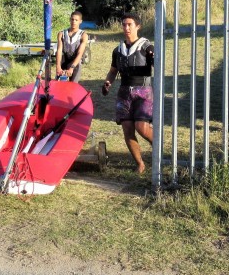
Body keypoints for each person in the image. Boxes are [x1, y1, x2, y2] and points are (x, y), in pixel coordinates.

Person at [101, 13, 154, 174]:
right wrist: (108, 82)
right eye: (124, 24)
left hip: (144, 91)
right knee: (127, 128)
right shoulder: (117, 50)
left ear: (138, 26)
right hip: (124, 92)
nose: (126, 27)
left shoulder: (147, 47)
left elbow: (156, 66)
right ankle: (140, 164)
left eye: (129, 24)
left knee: (142, 127)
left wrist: (153, 58)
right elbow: (112, 71)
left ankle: (160, 149)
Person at [55, 10, 89, 82]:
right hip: (63, 60)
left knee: (73, 85)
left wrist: (72, 68)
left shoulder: (83, 35)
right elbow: (59, 50)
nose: (74, 21)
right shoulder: (61, 34)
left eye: (76, 20)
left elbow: (80, 54)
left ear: (80, 21)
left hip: (75, 62)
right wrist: (58, 66)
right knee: (59, 85)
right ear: (70, 20)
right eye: (72, 19)